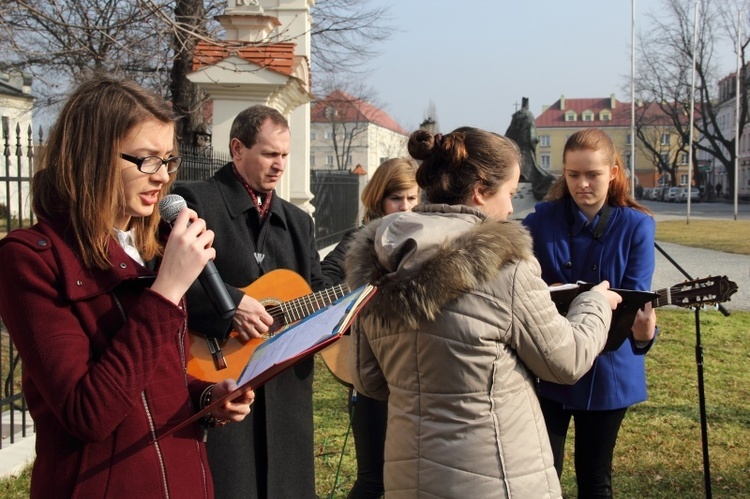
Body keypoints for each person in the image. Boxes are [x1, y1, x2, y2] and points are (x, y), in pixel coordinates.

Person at [0, 76, 254, 499]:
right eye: (146, 159)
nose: (162, 178)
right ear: (92, 157)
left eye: (169, 160)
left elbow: (152, 380)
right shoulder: (30, 259)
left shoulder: (144, 245)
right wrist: (167, 290)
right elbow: (88, 413)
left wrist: (206, 396)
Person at [343, 127, 623, 498]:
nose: (510, 208)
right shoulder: (505, 269)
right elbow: (566, 361)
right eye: (509, 192)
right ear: (480, 191)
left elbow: (368, 379)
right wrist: (594, 305)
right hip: (496, 476)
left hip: (409, 477)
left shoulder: (378, 262)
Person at [173, 104, 332, 499]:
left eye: (284, 156)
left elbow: (313, 291)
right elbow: (169, 281)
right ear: (237, 149)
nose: (279, 165)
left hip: (284, 392)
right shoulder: (196, 201)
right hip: (220, 377)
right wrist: (233, 304)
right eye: (269, 154)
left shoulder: (298, 221)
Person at [523, 128, 658, 498]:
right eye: (572, 175)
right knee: (540, 473)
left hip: (608, 370)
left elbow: (635, 302)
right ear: (562, 173)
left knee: (595, 479)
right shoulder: (538, 222)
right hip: (548, 365)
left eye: (593, 174)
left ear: (613, 172)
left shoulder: (637, 225)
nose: (582, 184)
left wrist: (645, 337)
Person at [321, 157, 419, 498]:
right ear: (379, 200)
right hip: (371, 370)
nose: (405, 207)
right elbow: (324, 280)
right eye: (396, 199)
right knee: (373, 479)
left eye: (411, 198)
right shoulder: (359, 239)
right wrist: (360, 300)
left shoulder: (429, 238)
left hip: (416, 372)